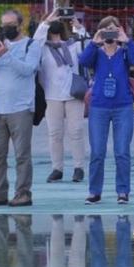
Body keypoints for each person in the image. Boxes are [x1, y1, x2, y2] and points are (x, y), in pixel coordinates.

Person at [0, 9, 46, 207]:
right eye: (3, 25)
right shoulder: (0, 45)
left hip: (21, 108)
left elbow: (28, 70)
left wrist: (7, 55)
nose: (6, 28)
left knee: (21, 155)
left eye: (10, 25)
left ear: (20, 25)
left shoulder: (31, 45)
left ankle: (23, 193)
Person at [80, 15, 134, 205]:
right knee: (97, 151)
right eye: (106, 29)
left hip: (123, 106)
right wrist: (93, 42)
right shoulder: (96, 53)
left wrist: (127, 41)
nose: (110, 32)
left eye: (113, 29)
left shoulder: (124, 52)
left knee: (122, 151)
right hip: (99, 106)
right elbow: (83, 61)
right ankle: (94, 191)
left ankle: (123, 191)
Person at [38, 14, 88, 184]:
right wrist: (44, 23)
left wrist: (79, 28)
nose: (55, 25)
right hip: (52, 96)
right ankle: (57, 168)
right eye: (52, 23)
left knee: (76, 132)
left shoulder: (73, 45)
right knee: (55, 134)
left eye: (58, 22)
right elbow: (36, 39)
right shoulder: (41, 48)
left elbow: (88, 48)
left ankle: (78, 167)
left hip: (73, 94)